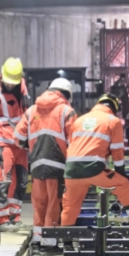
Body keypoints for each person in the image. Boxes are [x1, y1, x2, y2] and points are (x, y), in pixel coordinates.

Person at [61, 93, 129, 226]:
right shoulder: (112, 121)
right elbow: (117, 151)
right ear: (114, 108)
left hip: (71, 171)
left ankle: (66, 241)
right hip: (94, 168)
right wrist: (121, 172)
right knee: (123, 184)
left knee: (70, 207)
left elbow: (71, 145)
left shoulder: (79, 120)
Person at [15, 77, 76, 246]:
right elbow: (75, 141)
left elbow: (18, 138)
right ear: (67, 94)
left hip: (36, 165)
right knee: (54, 202)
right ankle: (50, 240)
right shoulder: (66, 111)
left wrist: (34, 147)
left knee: (39, 201)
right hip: (58, 165)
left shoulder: (31, 110)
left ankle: (37, 236)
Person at [0, 57, 29, 229]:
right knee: (3, 182)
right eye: (8, 83)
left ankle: (14, 217)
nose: (10, 86)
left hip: (20, 145)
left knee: (21, 182)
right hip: (2, 145)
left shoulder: (23, 89)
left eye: (13, 83)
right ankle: (1, 220)